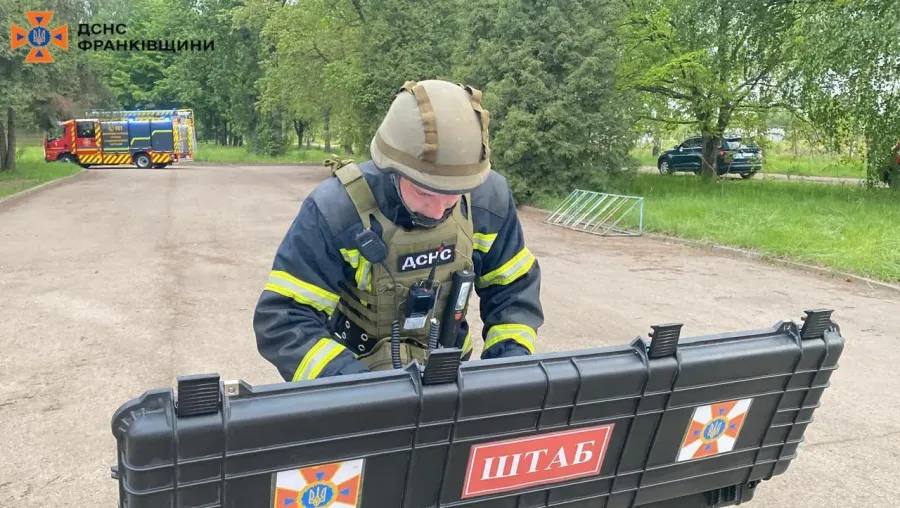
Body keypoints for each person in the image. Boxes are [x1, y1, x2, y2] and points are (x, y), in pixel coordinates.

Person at [253, 79, 544, 382]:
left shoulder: (487, 200)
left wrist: (507, 369)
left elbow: (512, 290)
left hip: (448, 373)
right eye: (424, 192)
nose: (438, 210)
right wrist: (350, 387)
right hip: (354, 376)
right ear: (390, 169)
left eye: (452, 194)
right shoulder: (336, 211)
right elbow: (283, 321)